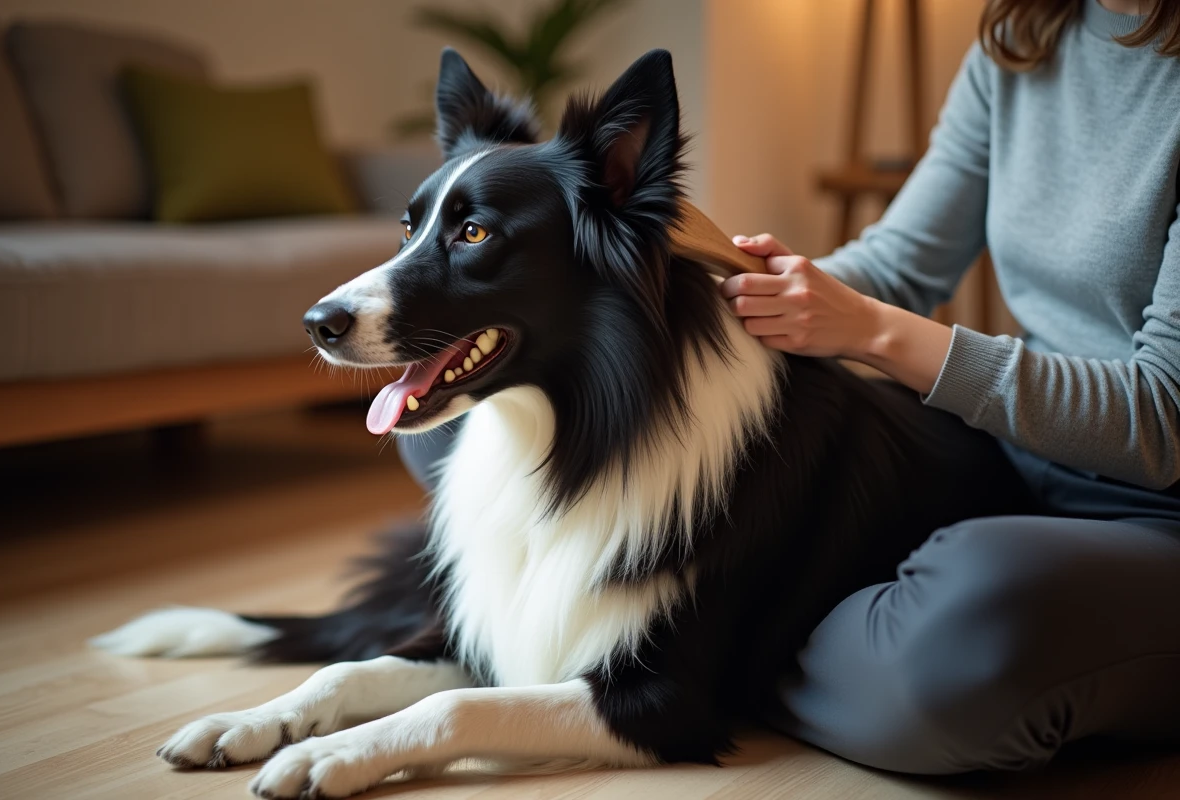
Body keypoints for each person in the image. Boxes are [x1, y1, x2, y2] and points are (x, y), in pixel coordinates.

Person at [400, 0, 1180, 773]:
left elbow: (1160, 418)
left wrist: (868, 330)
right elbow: (901, 262)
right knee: (452, 430)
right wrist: (728, 304)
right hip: (1009, 457)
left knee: (972, 620)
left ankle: (678, 674)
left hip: (1149, 511)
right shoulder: (1022, 40)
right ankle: (678, 668)